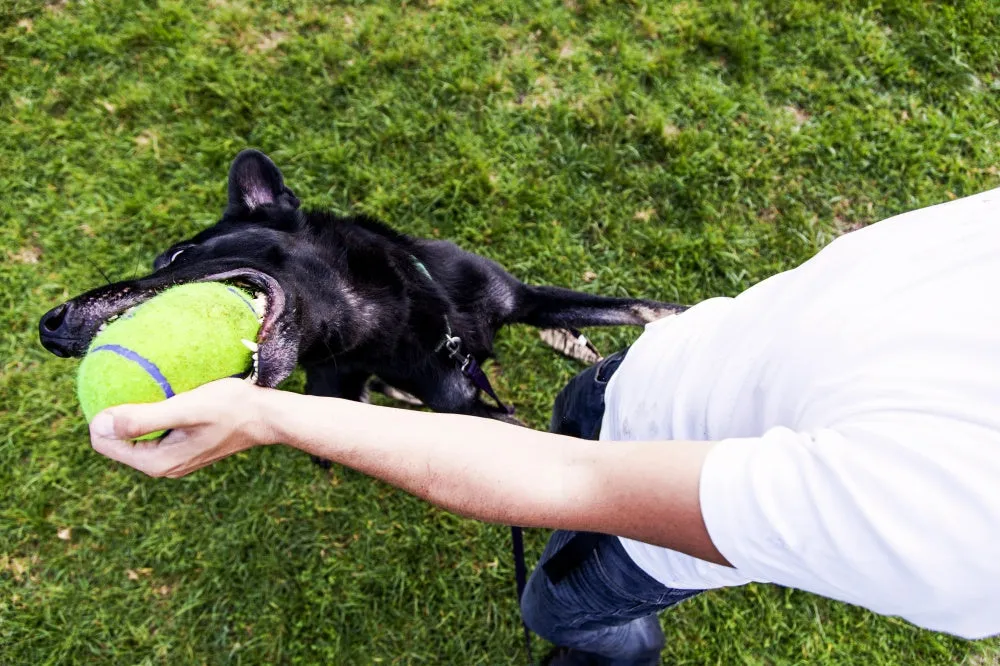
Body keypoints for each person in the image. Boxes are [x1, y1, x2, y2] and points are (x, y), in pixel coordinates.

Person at [89, 188, 1000, 664]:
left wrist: (266, 413)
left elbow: (575, 489)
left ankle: (610, 657)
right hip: (651, 375)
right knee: (583, 410)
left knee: (561, 603)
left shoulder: (964, 524)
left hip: (655, 530)